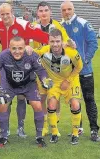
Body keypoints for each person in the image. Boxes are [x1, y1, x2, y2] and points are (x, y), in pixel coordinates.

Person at [0, 3, 49, 138]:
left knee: (22, 97)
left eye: (7, 13)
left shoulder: (23, 25)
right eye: (2, 14)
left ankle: (20, 127)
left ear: (13, 12)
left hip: (23, 66)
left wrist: (32, 48)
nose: (5, 16)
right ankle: (6, 130)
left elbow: (43, 37)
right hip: (6, 67)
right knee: (6, 98)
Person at [0, 36, 52, 147]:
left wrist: (44, 80)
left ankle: (39, 137)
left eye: (20, 48)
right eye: (14, 48)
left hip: (28, 84)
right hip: (9, 84)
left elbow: (41, 70)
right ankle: (3, 136)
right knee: (3, 104)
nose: (17, 51)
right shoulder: (3, 56)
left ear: (25, 47)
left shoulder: (31, 55)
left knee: (37, 105)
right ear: (9, 48)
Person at [34, 29, 83, 144]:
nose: (55, 44)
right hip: (54, 82)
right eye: (52, 41)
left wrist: (68, 80)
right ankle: (55, 133)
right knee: (51, 104)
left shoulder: (71, 52)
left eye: (57, 41)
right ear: (48, 41)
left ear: (62, 41)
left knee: (75, 104)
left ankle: (75, 134)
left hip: (70, 80)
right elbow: (33, 52)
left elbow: (79, 67)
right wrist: (28, 48)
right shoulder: (44, 50)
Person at [61, 1, 99, 141]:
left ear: (73, 9)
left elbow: (93, 44)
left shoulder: (83, 23)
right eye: (64, 10)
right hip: (69, 73)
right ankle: (79, 127)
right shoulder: (61, 26)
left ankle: (94, 130)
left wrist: (85, 60)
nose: (67, 12)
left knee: (89, 99)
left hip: (85, 71)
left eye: (69, 9)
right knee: (74, 100)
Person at [33, 1, 73, 136]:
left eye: (46, 10)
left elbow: (66, 42)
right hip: (40, 68)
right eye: (41, 11)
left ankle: (55, 122)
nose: (43, 13)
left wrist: (69, 43)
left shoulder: (57, 25)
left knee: (55, 96)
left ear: (50, 11)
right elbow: (30, 47)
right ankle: (44, 125)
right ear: (37, 13)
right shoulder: (33, 27)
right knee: (42, 97)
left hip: (56, 68)